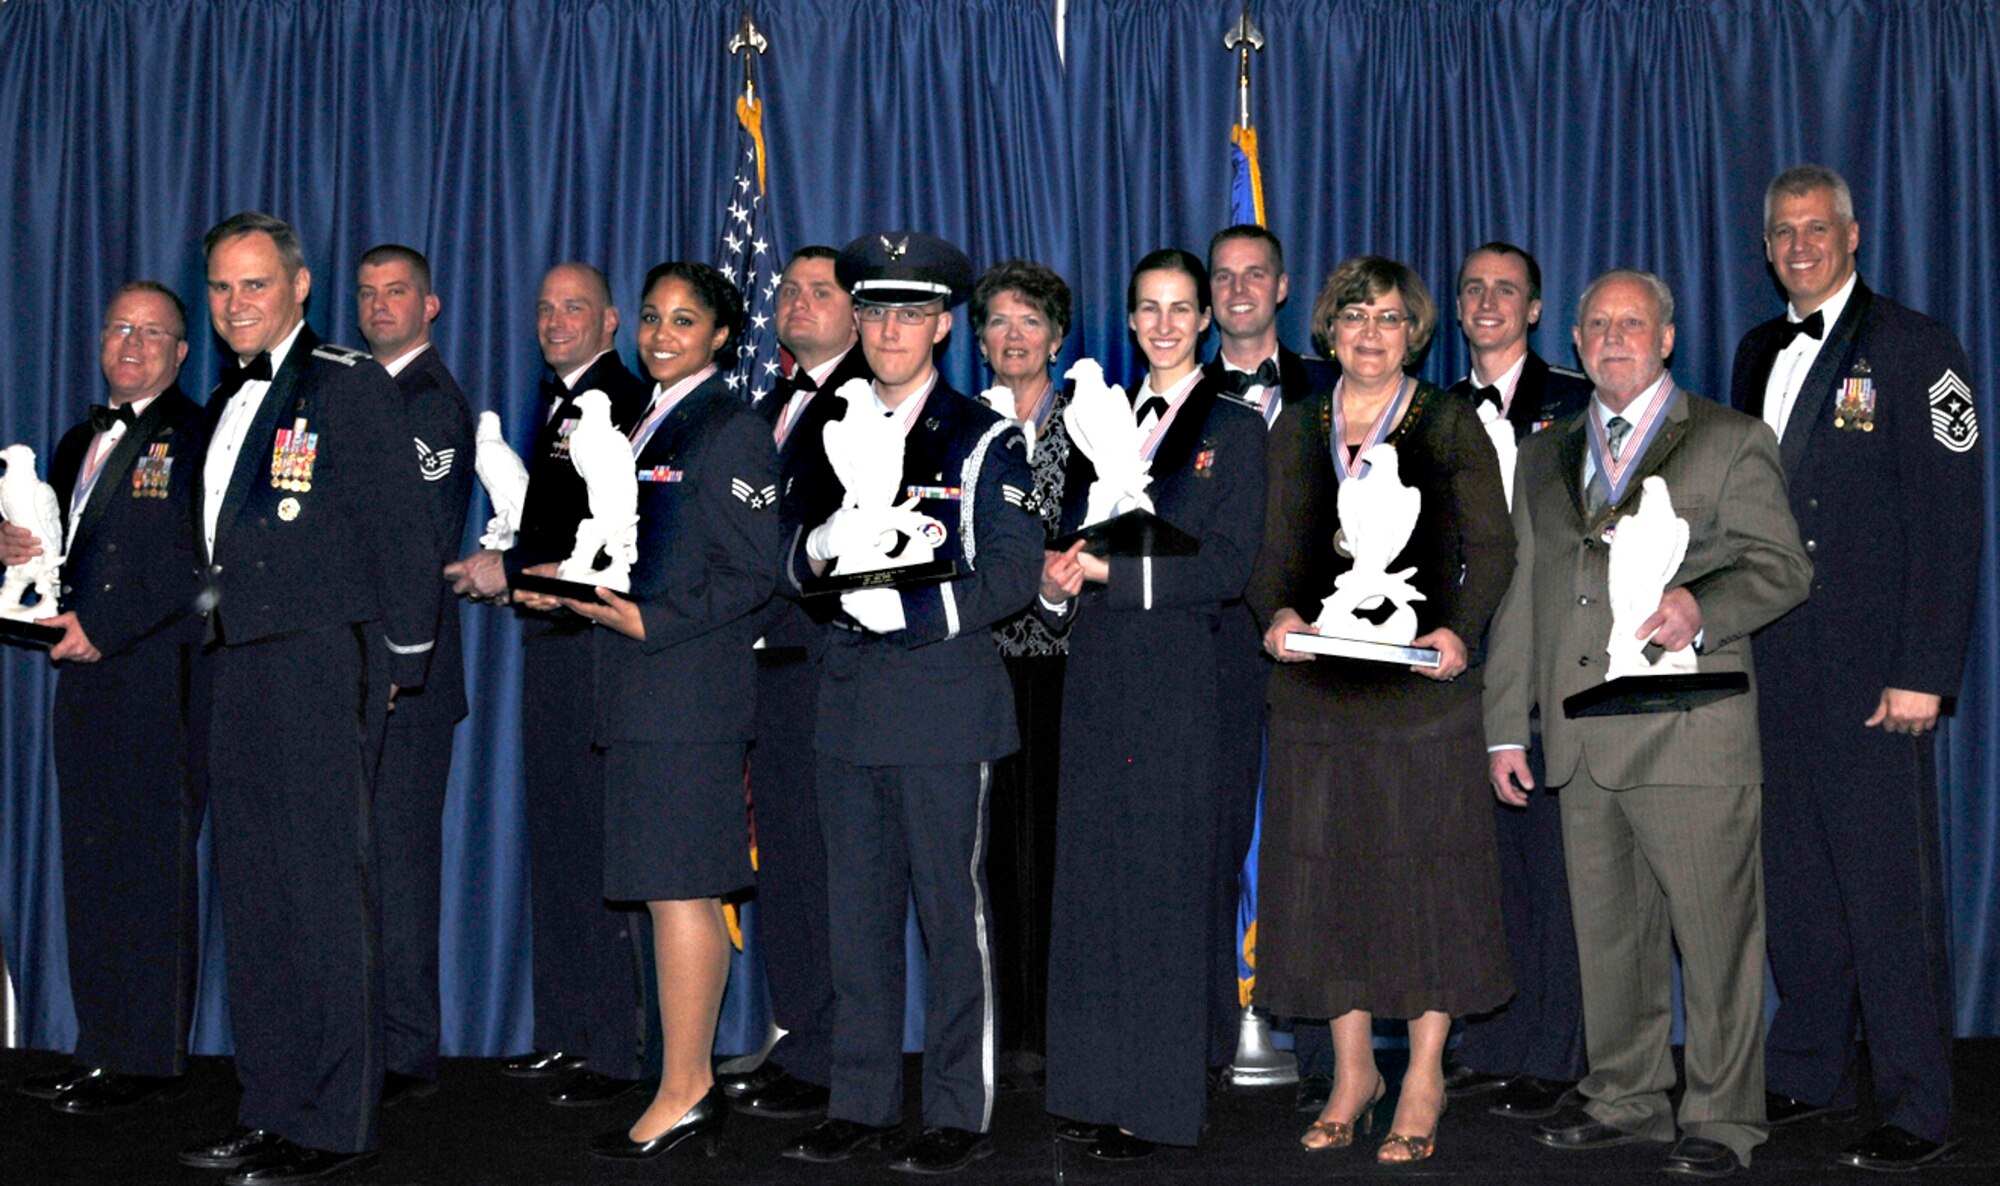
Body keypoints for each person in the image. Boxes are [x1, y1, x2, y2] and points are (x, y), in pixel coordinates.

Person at [1486, 269, 1811, 1178]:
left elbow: (1782, 569)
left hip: (1691, 735)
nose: (1613, 337)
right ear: (1578, 341)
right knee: (1610, 945)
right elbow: (1522, 599)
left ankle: (1723, 1117)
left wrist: (1698, 607)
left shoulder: (1731, 439)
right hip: (1582, 740)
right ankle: (1625, 1096)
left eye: (1632, 323)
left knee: (1715, 944)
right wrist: (1506, 726)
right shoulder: (1545, 453)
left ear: (1667, 337)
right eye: (1597, 325)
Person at [177, 211, 438, 1185]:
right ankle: (271, 1103)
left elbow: (403, 535)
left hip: (322, 665)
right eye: (220, 286)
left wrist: (400, 664)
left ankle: (330, 1121)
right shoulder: (222, 401)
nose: (235, 303)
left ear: (298, 287)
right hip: (238, 664)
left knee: (322, 899)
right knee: (255, 897)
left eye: (253, 284)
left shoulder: (345, 383)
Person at [1731, 165, 1983, 1173]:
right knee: (1795, 884)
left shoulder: (1917, 347)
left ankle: (1916, 1100)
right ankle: (1803, 1064)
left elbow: (1950, 523)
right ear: (1765, 246)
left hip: (1876, 671)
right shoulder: (1755, 349)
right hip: (1775, 660)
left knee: (1882, 890)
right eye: (1781, 231)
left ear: (1852, 233)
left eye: (1815, 228)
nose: (1798, 245)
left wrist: (1926, 669)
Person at [776, 231, 1042, 1176]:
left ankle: (958, 1110)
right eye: (877, 311)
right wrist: (813, 556)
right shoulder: (823, 425)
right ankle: (861, 1100)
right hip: (845, 699)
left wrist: (916, 609)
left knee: (949, 916)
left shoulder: (980, 436)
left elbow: (1014, 571)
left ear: (942, 324)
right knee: (855, 915)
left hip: (940, 700)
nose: (890, 329)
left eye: (911, 313)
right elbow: (786, 545)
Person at [1249, 256, 1514, 1165]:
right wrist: (1276, 612)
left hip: (1421, 698)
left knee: (1428, 883)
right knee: (1328, 887)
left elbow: (1496, 546)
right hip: (1318, 697)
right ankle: (1352, 1072)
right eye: (1355, 317)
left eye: (1391, 319)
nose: (1371, 334)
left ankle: (1424, 1077)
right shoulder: (1295, 424)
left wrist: (1460, 630)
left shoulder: (1449, 420)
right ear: (1329, 329)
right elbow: (1271, 549)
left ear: (1416, 333)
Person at [515, 261, 777, 1161]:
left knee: (680, 893)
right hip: (636, 687)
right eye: (655, 319)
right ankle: (683, 1084)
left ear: (719, 337)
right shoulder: (645, 419)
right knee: (666, 891)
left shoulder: (731, 427)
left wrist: (647, 618)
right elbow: (645, 548)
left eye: (685, 321)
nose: (662, 335)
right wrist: (574, 588)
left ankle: (685, 1088)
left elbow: (753, 575)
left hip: (688, 696)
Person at [1039, 248, 1267, 1160]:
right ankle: (1095, 1085)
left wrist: (1111, 572)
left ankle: (1160, 1104)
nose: (1165, 324)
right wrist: (1059, 581)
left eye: (1181, 308)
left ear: (1207, 318)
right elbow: (1067, 542)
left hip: (1182, 679)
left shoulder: (1237, 426)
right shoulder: (1098, 417)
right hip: (1098, 674)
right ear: (1130, 322)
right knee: (1095, 884)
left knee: (1166, 892)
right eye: (1148, 309)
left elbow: (1226, 569)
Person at [442, 263, 652, 1106]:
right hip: (552, 645)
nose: (556, 320)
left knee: (600, 845)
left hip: (601, 647)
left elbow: (619, 546)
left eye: (575, 308)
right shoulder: (553, 400)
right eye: (545, 308)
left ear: (611, 322)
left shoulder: (626, 404)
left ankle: (618, 1046)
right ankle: (569, 1032)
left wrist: (519, 569)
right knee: (561, 840)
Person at [3, 282, 205, 1116]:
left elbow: (192, 565)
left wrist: (109, 627)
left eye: (154, 332)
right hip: (83, 679)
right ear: (99, 340)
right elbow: (58, 552)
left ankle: (149, 1059)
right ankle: (101, 1045)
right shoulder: (75, 437)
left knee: (149, 874)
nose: (134, 343)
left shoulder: (196, 437)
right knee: (90, 867)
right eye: (121, 327)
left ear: (181, 352)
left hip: (157, 680)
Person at [720, 246, 874, 1122]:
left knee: (831, 863)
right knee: (781, 858)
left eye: (822, 293)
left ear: (857, 314)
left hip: (829, 659)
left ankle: (839, 1052)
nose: (799, 304)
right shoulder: (768, 405)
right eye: (790, 291)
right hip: (765, 664)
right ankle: (800, 1031)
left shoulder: (871, 400)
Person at [1441, 241, 1592, 1121]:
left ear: (1535, 309)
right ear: (1457, 308)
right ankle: (1491, 1038)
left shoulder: (1575, 401)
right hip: (1456, 662)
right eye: (1474, 290)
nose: (1489, 302)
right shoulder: (1431, 410)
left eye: (1507, 290)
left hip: (1547, 660)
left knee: (1554, 866)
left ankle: (1555, 1047)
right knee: (1479, 866)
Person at [1200, 224, 1337, 1107]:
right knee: (1213, 846)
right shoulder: (1173, 396)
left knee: (1321, 849)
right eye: (1223, 276)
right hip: (1215, 655)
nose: (1239, 289)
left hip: (1324, 652)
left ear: (1283, 288)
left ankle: (1327, 1054)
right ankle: (1213, 1036)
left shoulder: (1338, 386)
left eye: (1256, 275)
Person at [354, 243, 474, 1109]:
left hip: (408, 663)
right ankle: (365, 1035)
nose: (379, 306)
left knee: (398, 860)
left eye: (397, 293)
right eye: (367, 293)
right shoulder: (358, 392)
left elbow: (413, 540)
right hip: (353, 664)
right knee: (358, 861)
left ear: (429, 307)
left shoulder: (428, 402)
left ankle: (405, 1048)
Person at [969, 257, 1074, 1091]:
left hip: (1071, 669)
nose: (1013, 336)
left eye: (1029, 322)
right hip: (977, 663)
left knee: (1058, 849)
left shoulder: (1095, 423)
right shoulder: (961, 427)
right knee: (990, 857)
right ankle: (1006, 1029)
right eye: (999, 322)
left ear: (1057, 338)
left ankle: (1057, 1024)